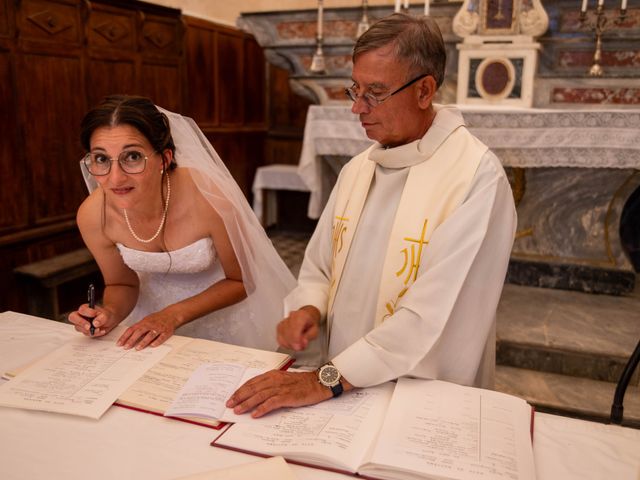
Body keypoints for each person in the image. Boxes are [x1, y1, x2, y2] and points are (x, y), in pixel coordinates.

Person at [226, 13, 517, 417]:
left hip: (421, 396)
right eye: (356, 90)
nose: (357, 108)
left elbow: (430, 316)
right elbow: (320, 266)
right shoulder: (359, 168)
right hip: (344, 386)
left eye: (375, 93)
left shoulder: (475, 178)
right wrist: (310, 307)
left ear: (425, 90)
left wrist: (322, 380)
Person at [68, 95, 296, 351]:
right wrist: (109, 313)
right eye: (101, 159)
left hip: (225, 315)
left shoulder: (209, 196)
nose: (115, 177)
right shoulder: (92, 215)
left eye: (132, 156)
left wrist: (172, 315)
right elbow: (122, 283)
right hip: (150, 324)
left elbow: (242, 280)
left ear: (164, 159)